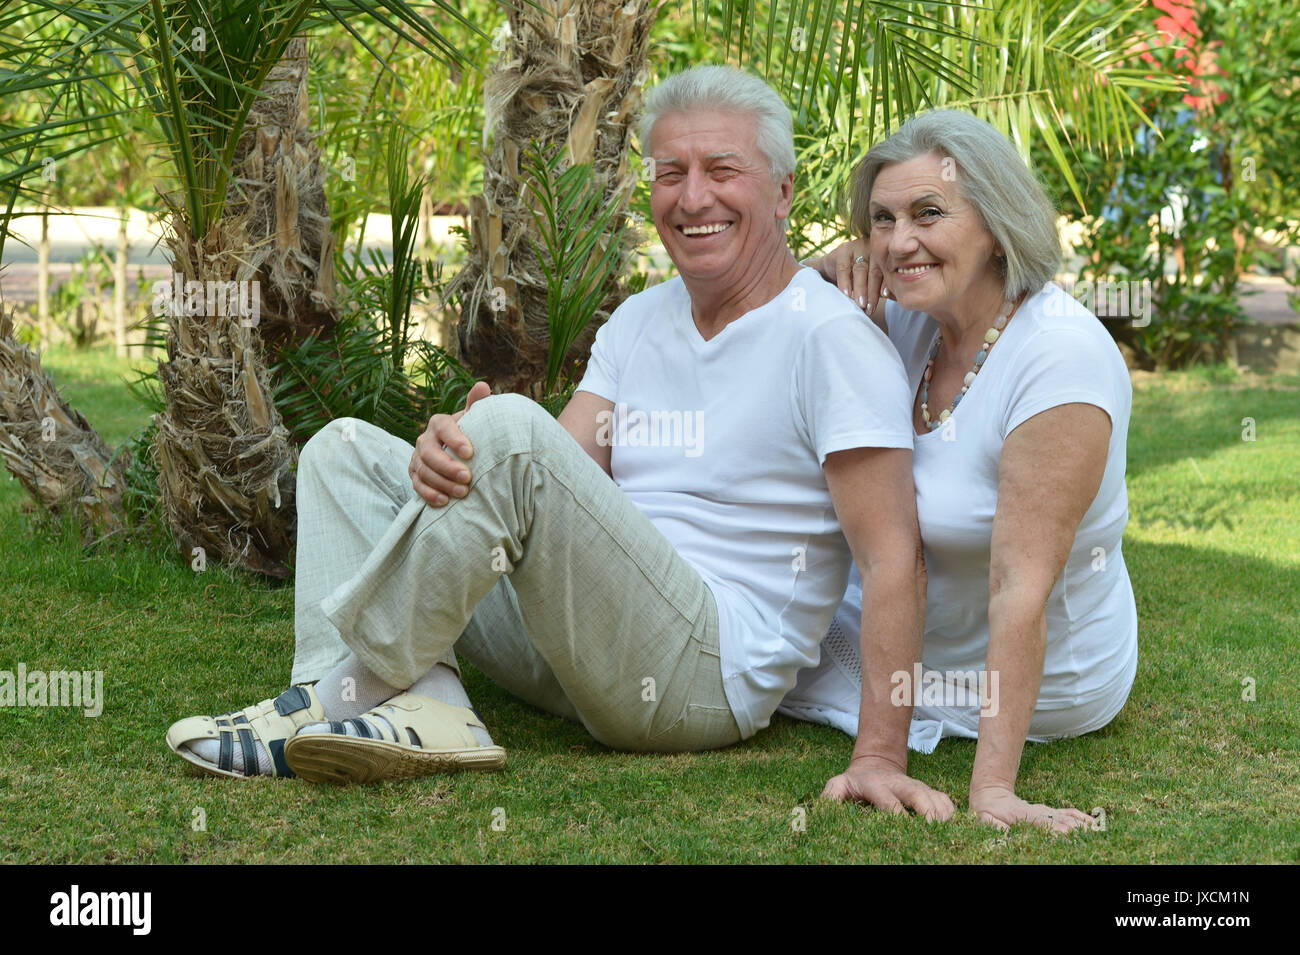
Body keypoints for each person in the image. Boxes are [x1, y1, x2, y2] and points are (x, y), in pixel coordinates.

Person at [165, 66, 950, 818]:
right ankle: (409, 707)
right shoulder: (643, 319)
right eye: (670, 172)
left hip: (699, 675)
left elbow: (892, 558)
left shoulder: (830, 339)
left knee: (506, 431)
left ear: (782, 193)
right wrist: (462, 448)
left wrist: (880, 756)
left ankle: (342, 695)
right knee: (340, 449)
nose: (693, 195)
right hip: (582, 643)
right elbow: (562, 470)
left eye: (722, 169)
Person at [794, 109, 1138, 833]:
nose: (898, 242)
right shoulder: (918, 315)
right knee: (754, 629)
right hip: (914, 645)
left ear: (996, 222)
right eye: (881, 221)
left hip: (1039, 681)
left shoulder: (1060, 360)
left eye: (928, 213)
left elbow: (1020, 585)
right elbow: (784, 311)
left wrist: (993, 790)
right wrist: (826, 267)